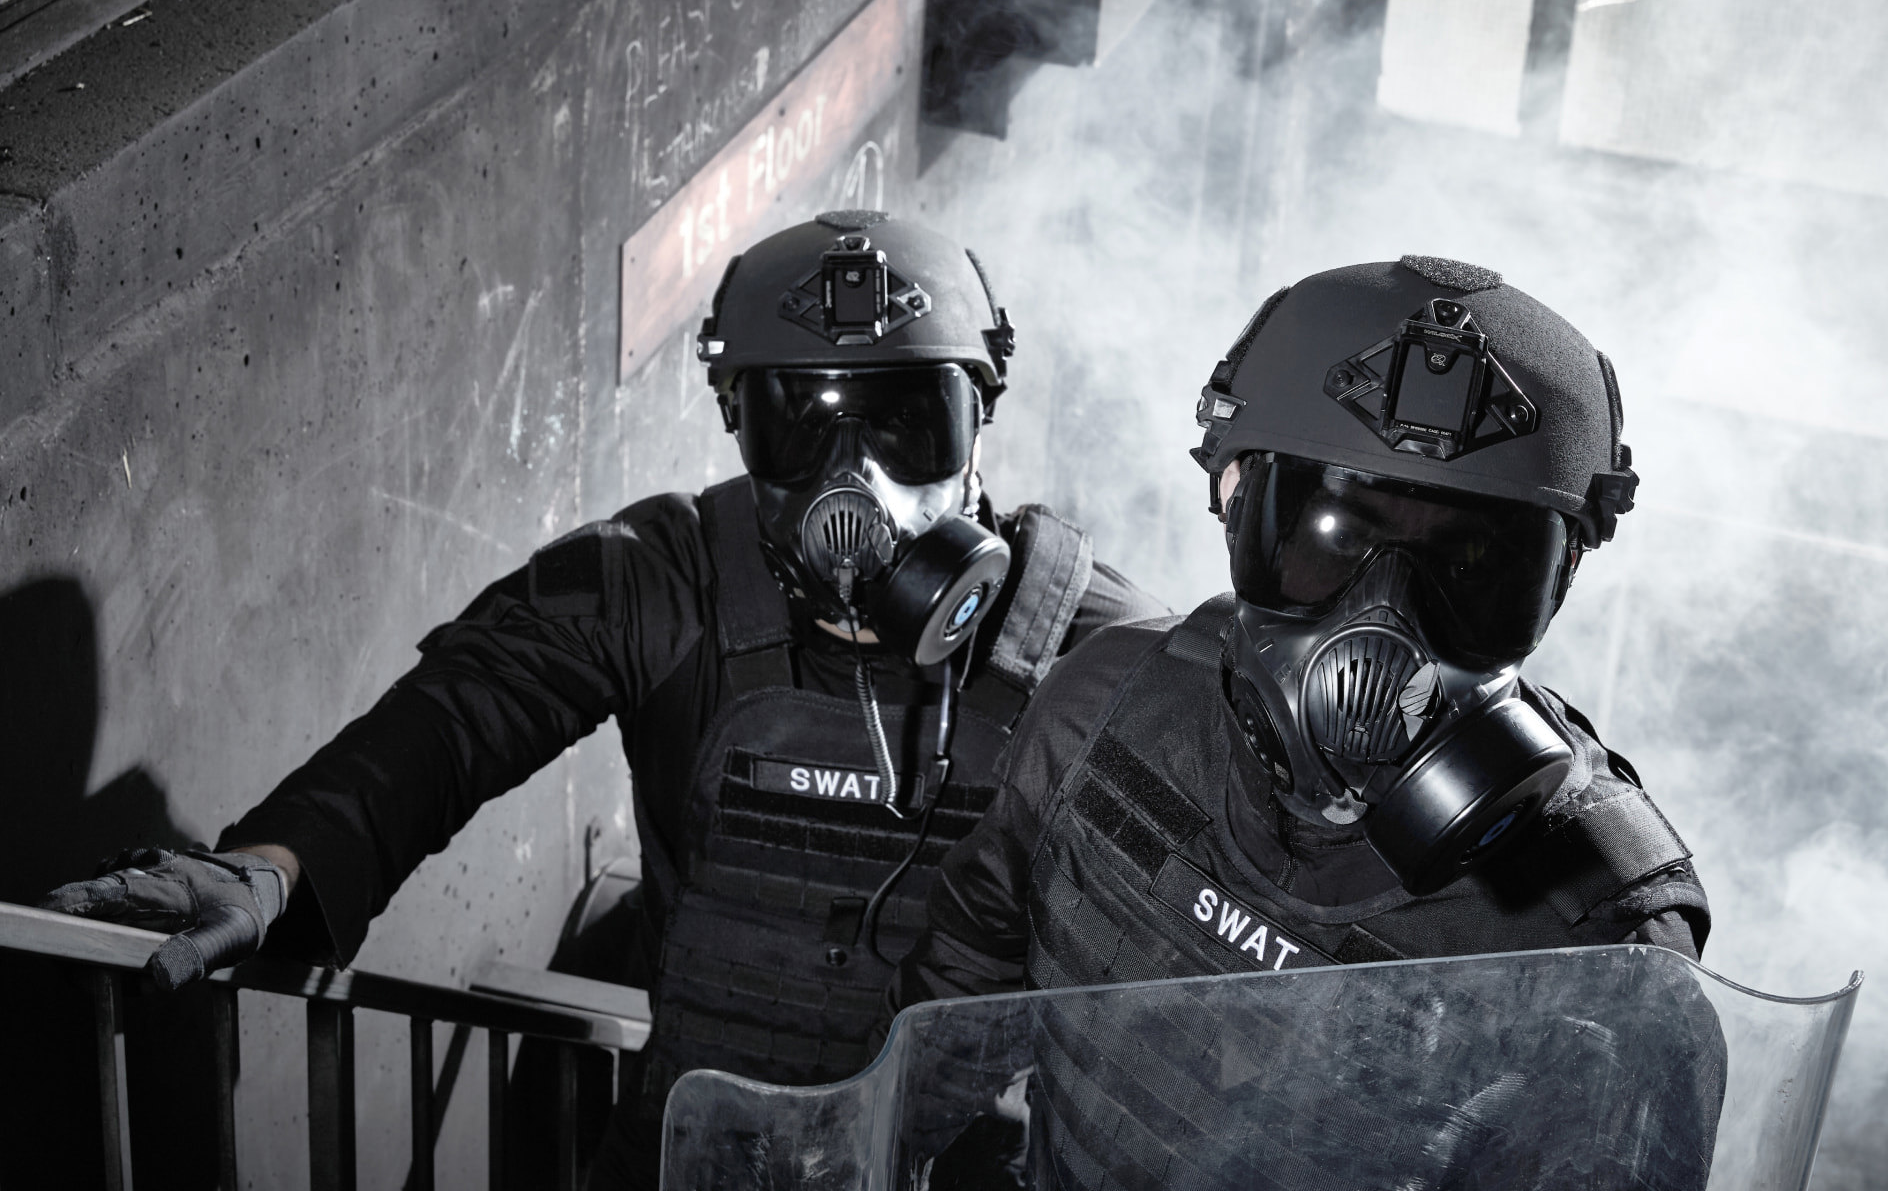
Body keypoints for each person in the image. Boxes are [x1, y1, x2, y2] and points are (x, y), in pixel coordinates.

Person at [39, 211, 1164, 1188]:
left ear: (984, 425)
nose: (855, 480)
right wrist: (273, 867)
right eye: (802, 424)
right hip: (699, 1152)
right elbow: (455, 717)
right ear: (738, 429)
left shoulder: (1094, 656)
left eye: (908, 422)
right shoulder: (664, 578)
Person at [887, 257, 1718, 1189]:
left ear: (1558, 583)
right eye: (1329, 538)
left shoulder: (1595, 929)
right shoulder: (1106, 708)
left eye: (1473, 568)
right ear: (1234, 501)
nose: (1383, 626)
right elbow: (959, 990)